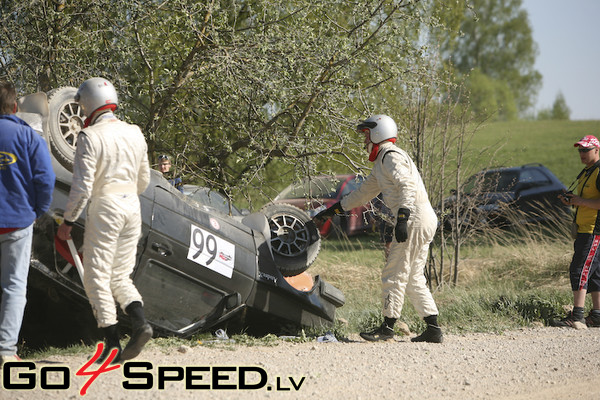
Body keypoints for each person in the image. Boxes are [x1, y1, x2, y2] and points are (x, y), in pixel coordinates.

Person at [315, 114, 442, 343]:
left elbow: (407, 185)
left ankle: (387, 328)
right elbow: (363, 193)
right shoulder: (383, 161)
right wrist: (333, 210)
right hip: (423, 218)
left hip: (413, 217)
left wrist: (402, 218)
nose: (364, 141)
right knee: (413, 276)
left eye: (366, 135)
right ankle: (433, 329)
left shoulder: (390, 156)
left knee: (393, 273)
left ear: (377, 133)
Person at [57, 77, 152, 362]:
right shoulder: (135, 132)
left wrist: (68, 221)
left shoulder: (90, 136)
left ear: (88, 104)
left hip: (106, 207)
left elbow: (83, 187)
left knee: (96, 277)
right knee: (120, 275)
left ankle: (112, 344)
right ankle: (140, 322)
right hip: (132, 206)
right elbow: (144, 179)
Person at [0, 81, 55, 365]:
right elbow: (46, 180)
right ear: (14, 107)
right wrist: (38, 210)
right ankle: (6, 351)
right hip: (17, 222)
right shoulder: (28, 137)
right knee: (13, 286)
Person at [552, 134, 600, 328]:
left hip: (593, 231)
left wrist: (580, 201)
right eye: (580, 150)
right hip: (584, 229)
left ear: (597, 150)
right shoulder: (587, 171)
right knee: (595, 273)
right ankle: (597, 315)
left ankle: (577, 316)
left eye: (586, 150)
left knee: (579, 270)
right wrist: (572, 200)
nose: (582, 153)